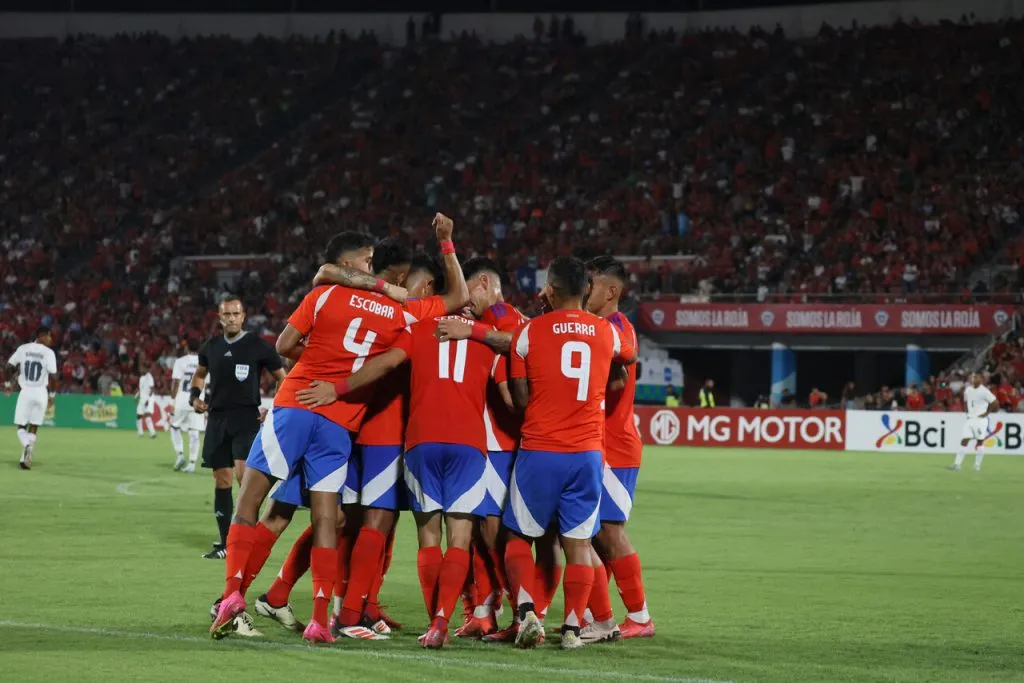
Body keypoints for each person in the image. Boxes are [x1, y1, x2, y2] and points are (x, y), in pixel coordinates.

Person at [209, 232, 414, 644]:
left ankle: (232, 596)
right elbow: (392, 359)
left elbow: (285, 345)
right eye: (367, 260)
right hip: (340, 421)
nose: (371, 267)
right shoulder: (397, 313)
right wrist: (342, 379)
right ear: (349, 263)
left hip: (296, 404)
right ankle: (320, 618)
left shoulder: (322, 296)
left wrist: (322, 364)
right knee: (326, 518)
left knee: (251, 501)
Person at [298, 303, 498, 648]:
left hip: (421, 440)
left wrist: (337, 388)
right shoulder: (487, 336)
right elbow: (517, 357)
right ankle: (441, 621)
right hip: (469, 442)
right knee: (460, 538)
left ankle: (429, 622)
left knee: (429, 537)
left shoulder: (419, 329)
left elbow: (387, 362)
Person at [500, 256, 637, 651]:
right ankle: (574, 629)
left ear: (551, 289)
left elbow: (521, 399)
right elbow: (626, 358)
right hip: (588, 454)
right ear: (586, 289)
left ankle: (527, 610)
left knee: (517, 535)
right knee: (579, 543)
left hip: (541, 449)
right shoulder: (606, 332)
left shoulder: (528, 331)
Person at [581, 255, 654, 642]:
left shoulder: (616, 327)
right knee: (594, 534)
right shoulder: (602, 327)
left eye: (590, 285)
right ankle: (597, 615)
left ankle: (639, 617)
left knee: (609, 532)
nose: (584, 291)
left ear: (611, 291)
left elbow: (621, 367)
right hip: (601, 444)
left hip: (615, 445)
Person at [191, 297, 286, 561]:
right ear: (219, 318)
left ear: (243, 316)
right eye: (227, 314)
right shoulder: (211, 347)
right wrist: (195, 398)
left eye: (236, 314)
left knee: (244, 479)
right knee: (221, 479)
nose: (231, 318)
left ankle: (247, 538)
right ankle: (225, 543)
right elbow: (199, 375)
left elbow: (282, 378)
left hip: (246, 419)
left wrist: (273, 407)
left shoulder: (258, 346)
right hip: (217, 418)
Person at [5, 327, 57, 470]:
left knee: (20, 426)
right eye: (49, 336)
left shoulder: (23, 349)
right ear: (42, 336)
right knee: (34, 425)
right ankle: (25, 459)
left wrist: (8, 385)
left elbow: (8, 367)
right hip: (41, 393)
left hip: (26, 391)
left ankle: (27, 445)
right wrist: (52, 395)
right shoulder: (49, 353)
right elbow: (54, 376)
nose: (50, 339)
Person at [949, 372, 999, 472]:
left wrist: (987, 413)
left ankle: (977, 466)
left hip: (980, 420)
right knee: (964, 440)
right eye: (973, 377)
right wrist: (967, 411)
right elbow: (966, 402)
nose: (974, 379)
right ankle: (957, 464)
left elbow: (995, 403)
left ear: (981, 379)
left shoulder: (985, 391)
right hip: (970, 419)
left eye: (976, 377)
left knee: (979, 442)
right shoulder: (968, 389)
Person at [169, 339, 202, 472]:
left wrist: (173, 399)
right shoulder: (204, 362)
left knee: (174, 427)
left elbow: (176, 382)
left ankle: (180, 455)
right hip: (197, 400)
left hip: (182, 400)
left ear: (187, 347)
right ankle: (192, 464)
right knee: (194, 432)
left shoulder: (180, 361)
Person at [136, 362, 157, 438]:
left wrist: (148, 400)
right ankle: (140, 432)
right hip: (142, 399)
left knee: (148, 416)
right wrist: (136, 396)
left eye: (142, 368)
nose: (141, 370)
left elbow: (152, 389)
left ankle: (153, 433)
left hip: (149, 399)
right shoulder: (141, 378)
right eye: (140, 368)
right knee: (139, 415)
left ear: (146, 369)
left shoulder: (149, 377)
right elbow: (141, 389)